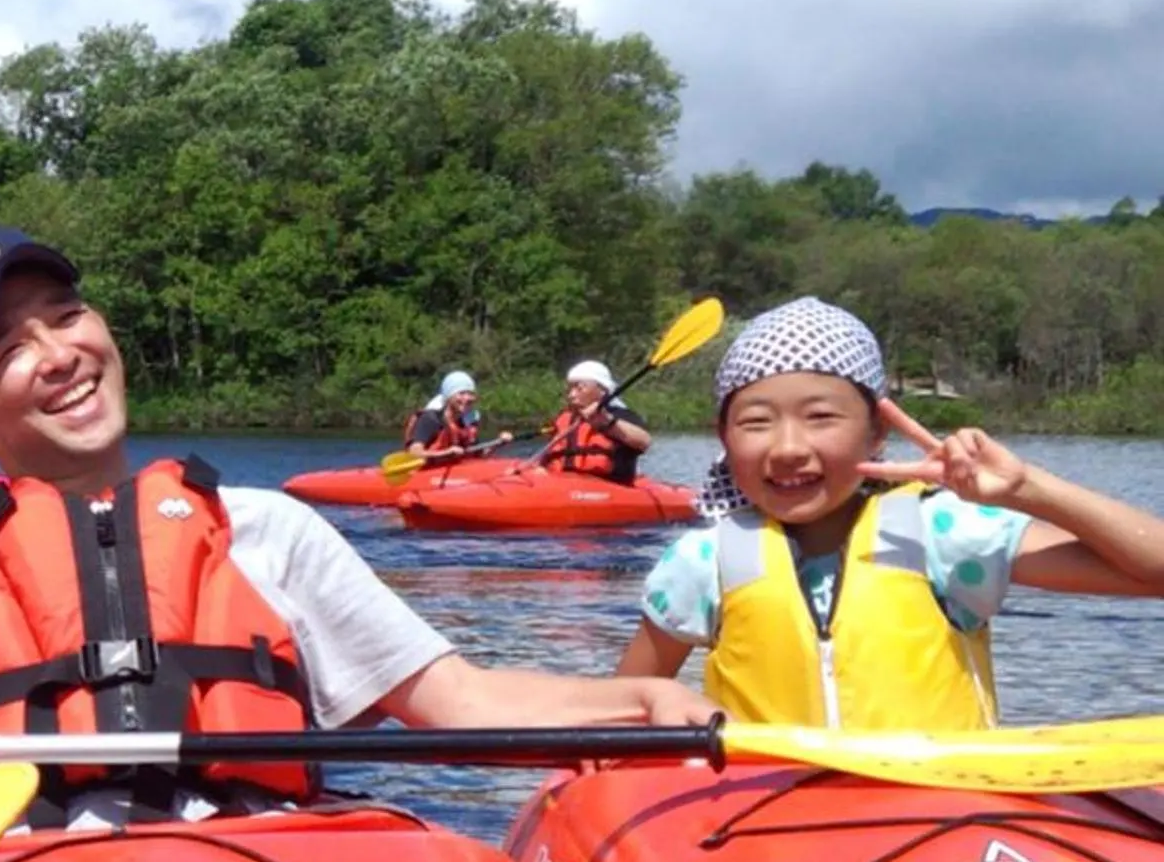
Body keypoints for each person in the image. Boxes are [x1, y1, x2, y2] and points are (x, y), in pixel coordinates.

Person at [0, 227, 713, 820]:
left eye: (67, 317)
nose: (58, 353)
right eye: (11, 348)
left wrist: (635, 698)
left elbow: (463, 699)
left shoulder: (268, 532)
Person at [617, 298, 1164, 727]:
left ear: (877, 432)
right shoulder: (703, 562)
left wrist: (1029, 489)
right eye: (756, 421)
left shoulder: (943, 534)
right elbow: (621, 708)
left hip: (939, 831)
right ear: (724, 437)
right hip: (767, 840)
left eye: (821, 417)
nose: (786, 447)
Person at [544, 359, 652, 482]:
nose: (571, 395)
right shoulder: (565, 418)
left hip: (609, 488)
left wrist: (608, 423)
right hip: (563, 484)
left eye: (580, 388)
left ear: (602, 390)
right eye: (570, 389)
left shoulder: (618, 414)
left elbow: (645, 442)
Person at [401, 369, 512, 466]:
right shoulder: (431, 419)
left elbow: (478, 455)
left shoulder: (465, 423)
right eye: (461, 393)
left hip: (454, 474)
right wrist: (447, 453)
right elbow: (414, 453)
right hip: (427, 475)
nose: (467, 398)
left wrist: (499, 443)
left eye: (470, 394)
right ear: (449, 396)